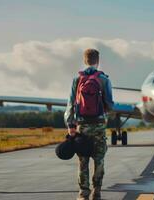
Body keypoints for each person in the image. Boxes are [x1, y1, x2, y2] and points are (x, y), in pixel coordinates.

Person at [64, 48, 114, 200]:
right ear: (98, 61)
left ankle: (83, 192)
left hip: (82, 126)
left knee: (83, 160)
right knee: (99, 159)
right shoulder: (104, 79)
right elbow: (110, 105)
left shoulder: (77, 79)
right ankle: (97, 190)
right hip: (98, 125)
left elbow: (70, 105)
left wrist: (70, 125)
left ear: (85, 60)